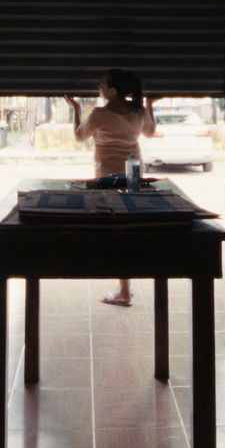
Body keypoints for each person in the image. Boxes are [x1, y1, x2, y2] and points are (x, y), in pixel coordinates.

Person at [65, 67, 156, 307]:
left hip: (107, 175)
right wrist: (149, 104)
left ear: (112, 91)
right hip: (134, 174)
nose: (98, 87)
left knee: (116, 229)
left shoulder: (99, 114)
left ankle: (124, 290)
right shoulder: (138, 112)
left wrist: (76, 109)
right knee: (129, 225)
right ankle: (125, 286)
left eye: (102, 84)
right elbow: (150, 132)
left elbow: (79, 136)